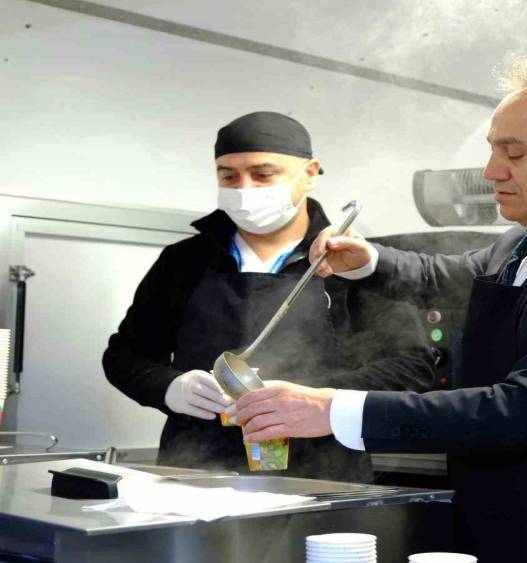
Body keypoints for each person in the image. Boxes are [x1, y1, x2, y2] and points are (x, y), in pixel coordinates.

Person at [230, 58, 527, 563]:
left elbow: (521, 410)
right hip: (510, 522)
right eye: (493, 150)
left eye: (514, 154)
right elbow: (450, 276)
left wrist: (331, 409)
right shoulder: (525, 242)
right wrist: (369, 262)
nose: (492, 171)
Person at [103, 111, 436, 481]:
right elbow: (124, 356)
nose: (244, 188)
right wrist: (169, 387)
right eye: (229, 176)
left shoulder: (350, 262)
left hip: (325, 475)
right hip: (196, 471)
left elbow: (412, 367)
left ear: (309, 174)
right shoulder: (184, 262)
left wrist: (323, 400)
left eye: (262, 174)